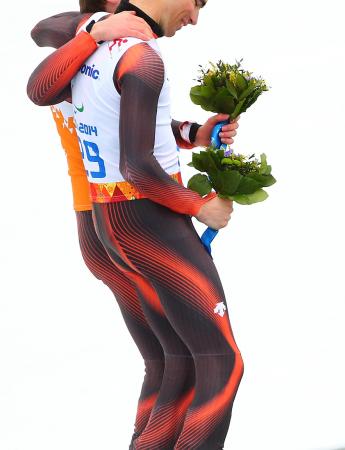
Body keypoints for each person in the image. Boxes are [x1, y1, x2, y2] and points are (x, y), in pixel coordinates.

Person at [27, 1, 244, 448]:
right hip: (132, 218)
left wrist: (193, 135)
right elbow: (137, 164)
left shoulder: (91, 51)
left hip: (110, 220)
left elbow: (132, 124)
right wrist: (196, 206)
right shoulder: (107, 46)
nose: (195, 18)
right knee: (212, 361)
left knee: (175, 362)